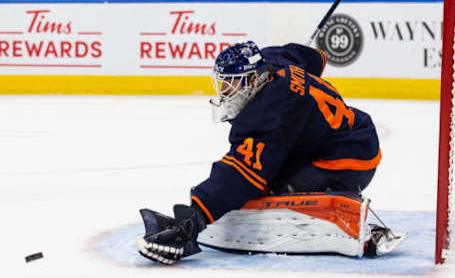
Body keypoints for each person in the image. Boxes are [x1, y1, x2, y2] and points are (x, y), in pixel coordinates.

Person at [136, 41, 396, 265]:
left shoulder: (268, 113)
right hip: (353, 136)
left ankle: (343, 211)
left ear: (252, 80)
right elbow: (314, 58)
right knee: (271, 167)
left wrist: (196, 217)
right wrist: (298, 77)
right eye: (223, 84)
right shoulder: (273, 59)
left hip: (348, 161)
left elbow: (242, 174)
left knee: (266, 187)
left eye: (231, 85)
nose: (225, 92)